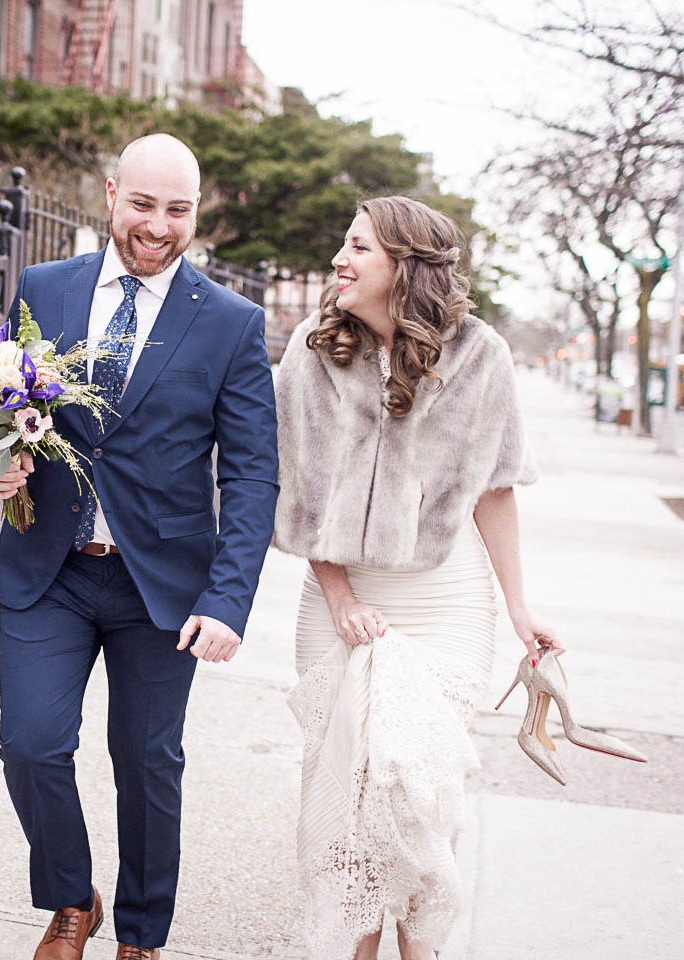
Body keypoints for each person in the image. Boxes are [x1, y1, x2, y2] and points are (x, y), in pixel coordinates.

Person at [0, 134, 279, 960]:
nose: (158, 225)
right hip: (51, 570)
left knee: (148, 766)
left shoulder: (230, 323)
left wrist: (227, 600)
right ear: (112, 195)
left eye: (177, 210)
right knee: (30, 744)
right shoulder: (44, 288)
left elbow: (253, 478)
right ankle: (73, 898)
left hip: (164, 590)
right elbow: (5, 411)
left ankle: (142, 936)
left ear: (196, 214)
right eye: (143, 204)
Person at [272, 196, 564, 960]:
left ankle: (421, 950)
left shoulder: (482, 356)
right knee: (352, 793)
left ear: (405, 266)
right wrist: (340, 597)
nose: (341, 257)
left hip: (445, 600)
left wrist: (521, 607)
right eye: (344, 242)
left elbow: (495, 489)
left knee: (412, 790)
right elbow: (298, 495)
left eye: (359, 246)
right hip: (341, 597)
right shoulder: (309, 350)